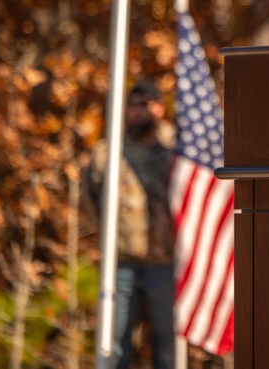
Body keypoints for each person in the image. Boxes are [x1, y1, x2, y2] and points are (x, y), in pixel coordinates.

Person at [84, 80, 176, 369]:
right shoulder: (108, 151)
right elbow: (89, 197)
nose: (137, 112)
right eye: (132, 105)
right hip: (121, 263)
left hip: (166, 262)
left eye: (144, 104)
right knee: (116, 342)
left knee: (168, 343)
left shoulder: (177, 148)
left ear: (160, 108)